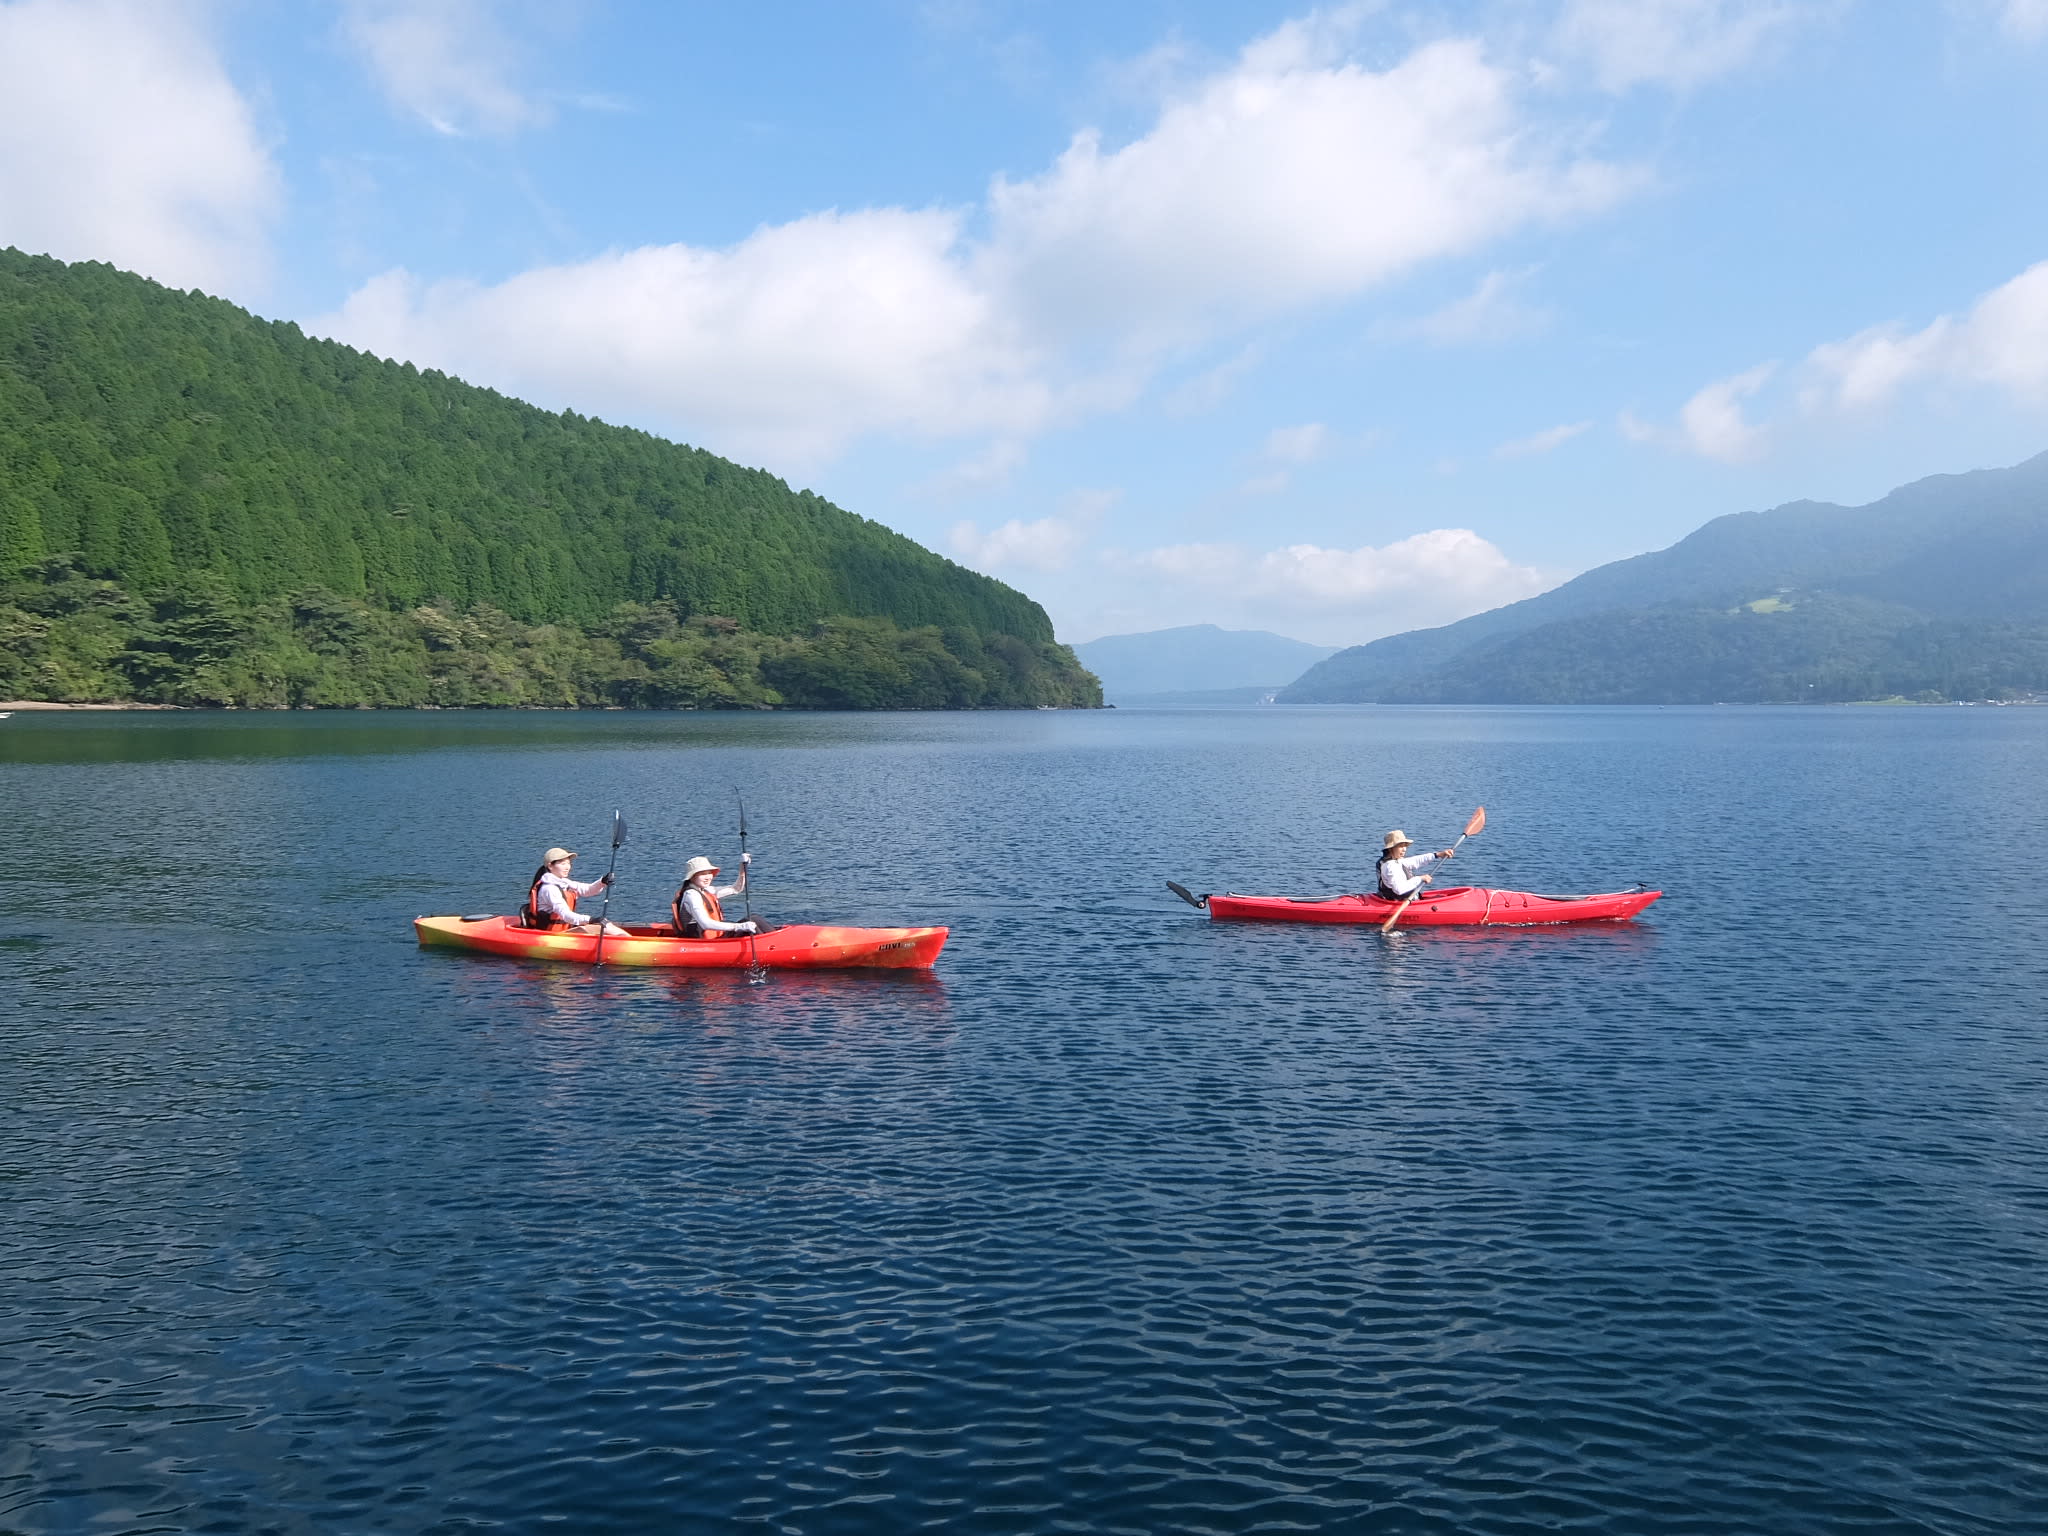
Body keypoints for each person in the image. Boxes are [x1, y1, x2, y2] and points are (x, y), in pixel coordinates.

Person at [521, 846, 629, 936]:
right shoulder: (549, 889)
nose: (567, 867)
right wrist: (590, 919)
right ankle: (629, 945)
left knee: (607, 925)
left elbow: (587, 890)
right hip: (553, 936)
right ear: (550, 866)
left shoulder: (564, 882)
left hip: (564, 930)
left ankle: (628, 941)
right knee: (604, 927)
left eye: (568, 863)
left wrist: (602, 882)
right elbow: (566, 915)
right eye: (562, 864)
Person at [671, 853, 761, 938]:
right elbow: (705, 924)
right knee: (751, 921)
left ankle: (766, 942)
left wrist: (742, 868)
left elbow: (736, 888)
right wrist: (738, 926)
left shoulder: (707, 890)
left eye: (709, 873)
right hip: (703, 941)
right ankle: (765, 945)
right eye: (702, 874)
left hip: (717, 936)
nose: (707, 877)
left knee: (754, 918)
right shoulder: (691, 895)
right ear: (692, 877)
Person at [1375, 830, 1456, 901]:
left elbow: (1415, 861)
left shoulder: (1395, 860)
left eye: (1405, 846)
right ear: (1391, 848)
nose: (1404, 849)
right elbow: (1399, 889)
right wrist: (1420, 878)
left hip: (1402, 899)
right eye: (1401, 846)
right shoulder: (1390, 866)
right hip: (1398, 901)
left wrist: (1437, 854)